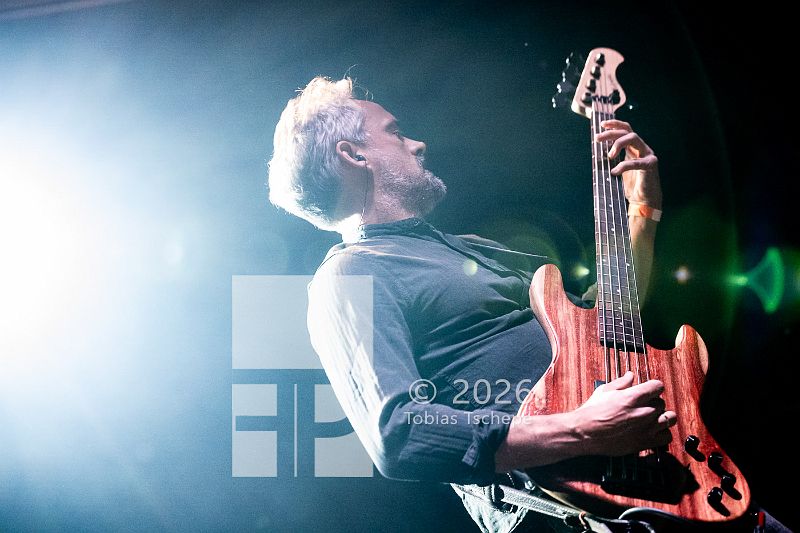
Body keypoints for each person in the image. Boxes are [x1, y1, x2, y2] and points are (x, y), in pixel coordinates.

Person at [266, 77, 780, 532]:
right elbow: (400, 436)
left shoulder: (473, 250)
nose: (418, 144)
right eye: (396, 132)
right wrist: (584, 429)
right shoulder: (350, 273)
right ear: (353, 155)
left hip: (693, 486)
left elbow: (608, 324)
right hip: (574, 513)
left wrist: (643, 211)